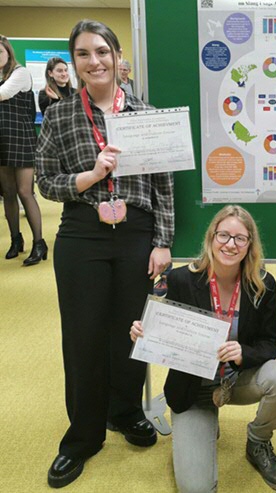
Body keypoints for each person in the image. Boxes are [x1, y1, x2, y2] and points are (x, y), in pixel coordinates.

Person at [35, 20, 174, 489]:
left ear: (117, 56)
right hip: (82, 233)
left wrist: (163, 241)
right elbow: (45, 183)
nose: (94, 62)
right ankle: (83, 435)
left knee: (130, 332)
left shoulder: (144, 113)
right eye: (82, 54)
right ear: (72, 62)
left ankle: (125, 411)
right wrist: (90, 177)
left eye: (101, 51)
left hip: (135, 232)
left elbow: (164, 186)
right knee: (83, 335)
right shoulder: (59, 116)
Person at [131, 205, 276, 493]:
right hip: (193, 388)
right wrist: (146, 335)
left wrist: (244, 353)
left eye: (240, 238)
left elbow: (272, 342)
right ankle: (204, 424)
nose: (230, 245)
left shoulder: (263, 284)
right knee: (196, 489)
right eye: (224, 235)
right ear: (211, 238)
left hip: (238, 379)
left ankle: (258, 441)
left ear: (249, 245)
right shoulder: (183, 279)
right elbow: (170, 335)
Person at [0, 34, 46, 265]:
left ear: (8, 52)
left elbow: (4, 93)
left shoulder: (20, 73)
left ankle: (39, 243)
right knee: (8, 192)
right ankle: (15, 240)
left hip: (21, 139)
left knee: (25, 191)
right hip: (1, 141)